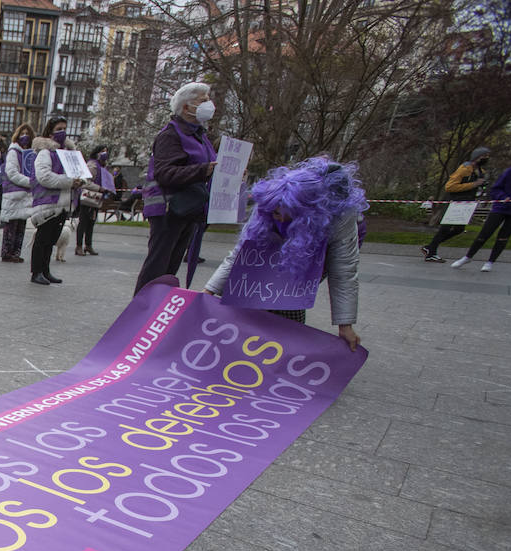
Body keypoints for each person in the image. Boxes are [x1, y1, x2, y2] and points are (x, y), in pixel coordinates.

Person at [204, 157, 365, 352]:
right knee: (248, 298)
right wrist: (208, 292)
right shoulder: (269, 204)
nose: (277, 218)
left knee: (286, 305)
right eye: (274, 213)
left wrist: (345, 324)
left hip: (311, 259)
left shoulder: (340, 218)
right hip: (268, 255)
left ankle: (282, 351)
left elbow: (343, 271)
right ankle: (237, 347)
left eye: (282, 214)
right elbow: (240, 254)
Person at [133, 82, 217, 293]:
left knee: (170, 269)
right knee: (157, 267)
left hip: (187, 209)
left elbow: (207, 168)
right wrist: (203, 170)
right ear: (187, 107)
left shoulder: (199, 136)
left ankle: (156, 310)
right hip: (168, 209)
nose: (209, 104)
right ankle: (139, 314)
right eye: (203, 100)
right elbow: (165, 173)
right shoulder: (170, 135)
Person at [29, 119, 81, 286]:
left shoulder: (67, 154)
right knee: (42, 238)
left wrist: (79, 181)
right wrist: (69, 181)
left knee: (51, 239)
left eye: (65, 129)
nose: (63, 132)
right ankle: (36, 271)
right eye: (59, 129)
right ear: (50, 133)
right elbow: (43, 176)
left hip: (62, 202)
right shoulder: (45, 153)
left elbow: (77, 173)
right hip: (47, 203)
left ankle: (45, 270)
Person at [422, 147, 491, 262]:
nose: (486, 159)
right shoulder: (464, 169)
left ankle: (430, 247)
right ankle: (431, 252)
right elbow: (450, 186)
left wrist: (481, 187)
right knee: (445, 228)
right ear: (477, 157)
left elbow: (478, 185)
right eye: (484, 156)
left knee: (459, 229)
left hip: (467, 203)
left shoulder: (481, 172)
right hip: (456, 202)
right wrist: (473, 184)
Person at [451, 162, 511, 272]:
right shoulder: (508, 172)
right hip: (500, 207)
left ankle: (490, 262)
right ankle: (468, 257)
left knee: (503, 237)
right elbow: (496, 189)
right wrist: (503, 197)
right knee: (485, 232)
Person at [0, 123, 35, 263]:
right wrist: (30, 182)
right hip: (14, 193)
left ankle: (16, 252)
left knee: (21, 225)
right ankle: (7, 252)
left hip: (25, 194)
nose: (25, 136)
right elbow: (12, 172)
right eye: (22, 133)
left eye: (27, 133)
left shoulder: (31, 154)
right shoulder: (14, 152)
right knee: (11, 224)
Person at [76, 146, 114, 255]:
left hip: (96, 199)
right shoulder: (92, 166)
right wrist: (99, 188)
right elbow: (86, 182)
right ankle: (79, 246)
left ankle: (88, 245)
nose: (105, 153)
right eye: (102, 151)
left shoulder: (102, 167)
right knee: (83, 222)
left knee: (91, 222)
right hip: (88, 198)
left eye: (106, 151)